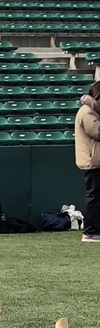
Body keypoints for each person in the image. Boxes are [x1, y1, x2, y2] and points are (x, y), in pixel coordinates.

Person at [75, 81, 100, 242]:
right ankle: (90, 232)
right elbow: (97, 132)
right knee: (94, 197)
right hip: (93, 161)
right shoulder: (87, 111)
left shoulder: (94, 110)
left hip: (96, 160)